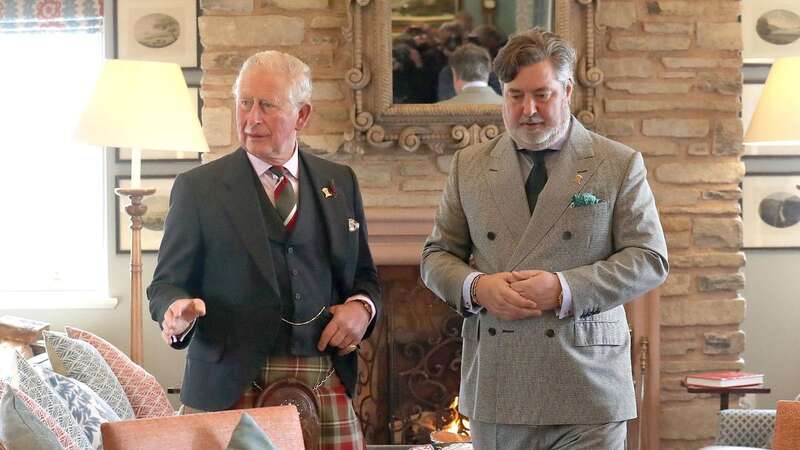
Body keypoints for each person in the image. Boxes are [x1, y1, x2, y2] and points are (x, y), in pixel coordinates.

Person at [420, 28, 668, 450]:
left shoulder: (617, 163)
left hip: (588, 387)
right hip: (500, 387)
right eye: (515, 96)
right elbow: (436, 256)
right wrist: (477, 287)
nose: (528, 110)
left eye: (542, 94)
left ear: (567, 90)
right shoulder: (470, 166)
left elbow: (649, 259)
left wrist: (563, 288)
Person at [148, 50, 380, 449]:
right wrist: (175, 312)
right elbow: (166, 284)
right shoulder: (198, 189)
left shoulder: (340, 181)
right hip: (229, 384)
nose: (252, 117)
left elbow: (364, 276)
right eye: (244, 102)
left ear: (302, 116)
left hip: (323, 378)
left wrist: (362, 308)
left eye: (267, 106)